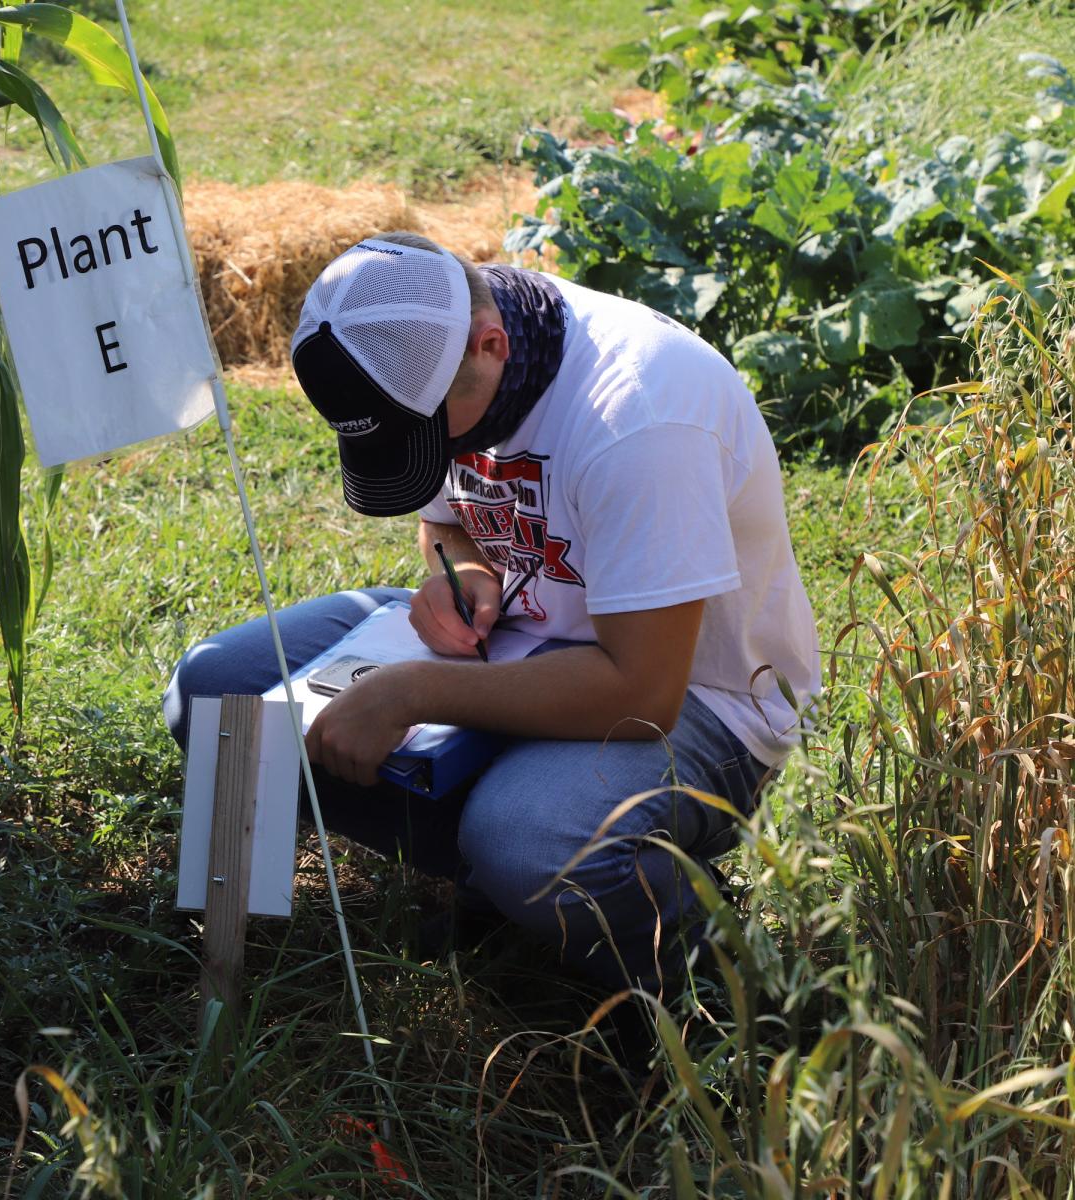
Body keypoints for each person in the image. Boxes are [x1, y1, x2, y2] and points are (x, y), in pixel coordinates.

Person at [162, 232, 820, 999]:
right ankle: (474, 888)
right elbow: (447, 518)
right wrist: (463, 566)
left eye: (438, 434)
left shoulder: (640, 414)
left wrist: (412, 693)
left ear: (491, 344)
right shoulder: (446, 353)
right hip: (512, 644)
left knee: (530, 840)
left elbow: (644, 695)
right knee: (215, 695)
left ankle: (731, 993)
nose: (441, 451)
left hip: (699, 702)